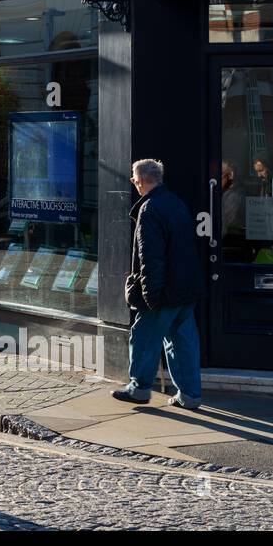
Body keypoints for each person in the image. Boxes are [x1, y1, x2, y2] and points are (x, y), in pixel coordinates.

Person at [115, 158, 205, 410]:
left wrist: (150, 295)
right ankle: (189, 395)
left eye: (134, 178)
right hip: (186, 288)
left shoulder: (149, 208)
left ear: (142, 181)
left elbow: (150, 257)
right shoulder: (176, 203)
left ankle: (139, 388)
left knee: (143, 337)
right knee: (182, 341)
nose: (133, 182)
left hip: (163, 289)